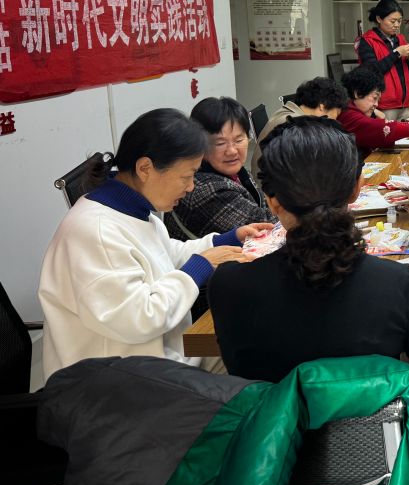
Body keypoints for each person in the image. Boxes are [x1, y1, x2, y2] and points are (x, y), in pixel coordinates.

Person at [208, 117, 409, 388]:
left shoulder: (227, 284)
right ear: (357, 188)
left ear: (272, 202)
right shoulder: (393, 282)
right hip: (373, 425)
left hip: (270, 423)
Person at [38, 108, 270, 380]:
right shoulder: (94, 232)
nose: (191, 187)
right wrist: (201, 266)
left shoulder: (134, 210)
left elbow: (167, 254)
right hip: (116, 385)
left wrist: (228, 239)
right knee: (260, 362)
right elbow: (140, 317)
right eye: (186, 176)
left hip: (160, 362)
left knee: (255, 350)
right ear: (145, 168)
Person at [168, 97, 276, 241]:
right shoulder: (206, 190)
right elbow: (268, 227)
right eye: (220, 143)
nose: (231, 151)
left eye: (238, 140)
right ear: (199, 144)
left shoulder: (233, 172)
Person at [250, 76, 348, 177]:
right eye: (336, 114)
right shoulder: (294, 125)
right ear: (322, 106)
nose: (334, 121)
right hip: (272, 184)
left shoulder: (290, 112)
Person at [338, 65, 409, 158]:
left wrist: (404, 135)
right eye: (374, 98)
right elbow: (379, 128)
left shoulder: (352, 107)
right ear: (357, 93)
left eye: (378, 100)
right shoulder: (347, 113)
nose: (376, 104)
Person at [356, 0, 409, 120]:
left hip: (406, 104)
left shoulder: (401, 39)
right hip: (384, 106)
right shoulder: (367, 41)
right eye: (392, 21)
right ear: (379, 19)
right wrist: (397, 53)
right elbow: (371, 72)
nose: (397, 25)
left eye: (399, 21)